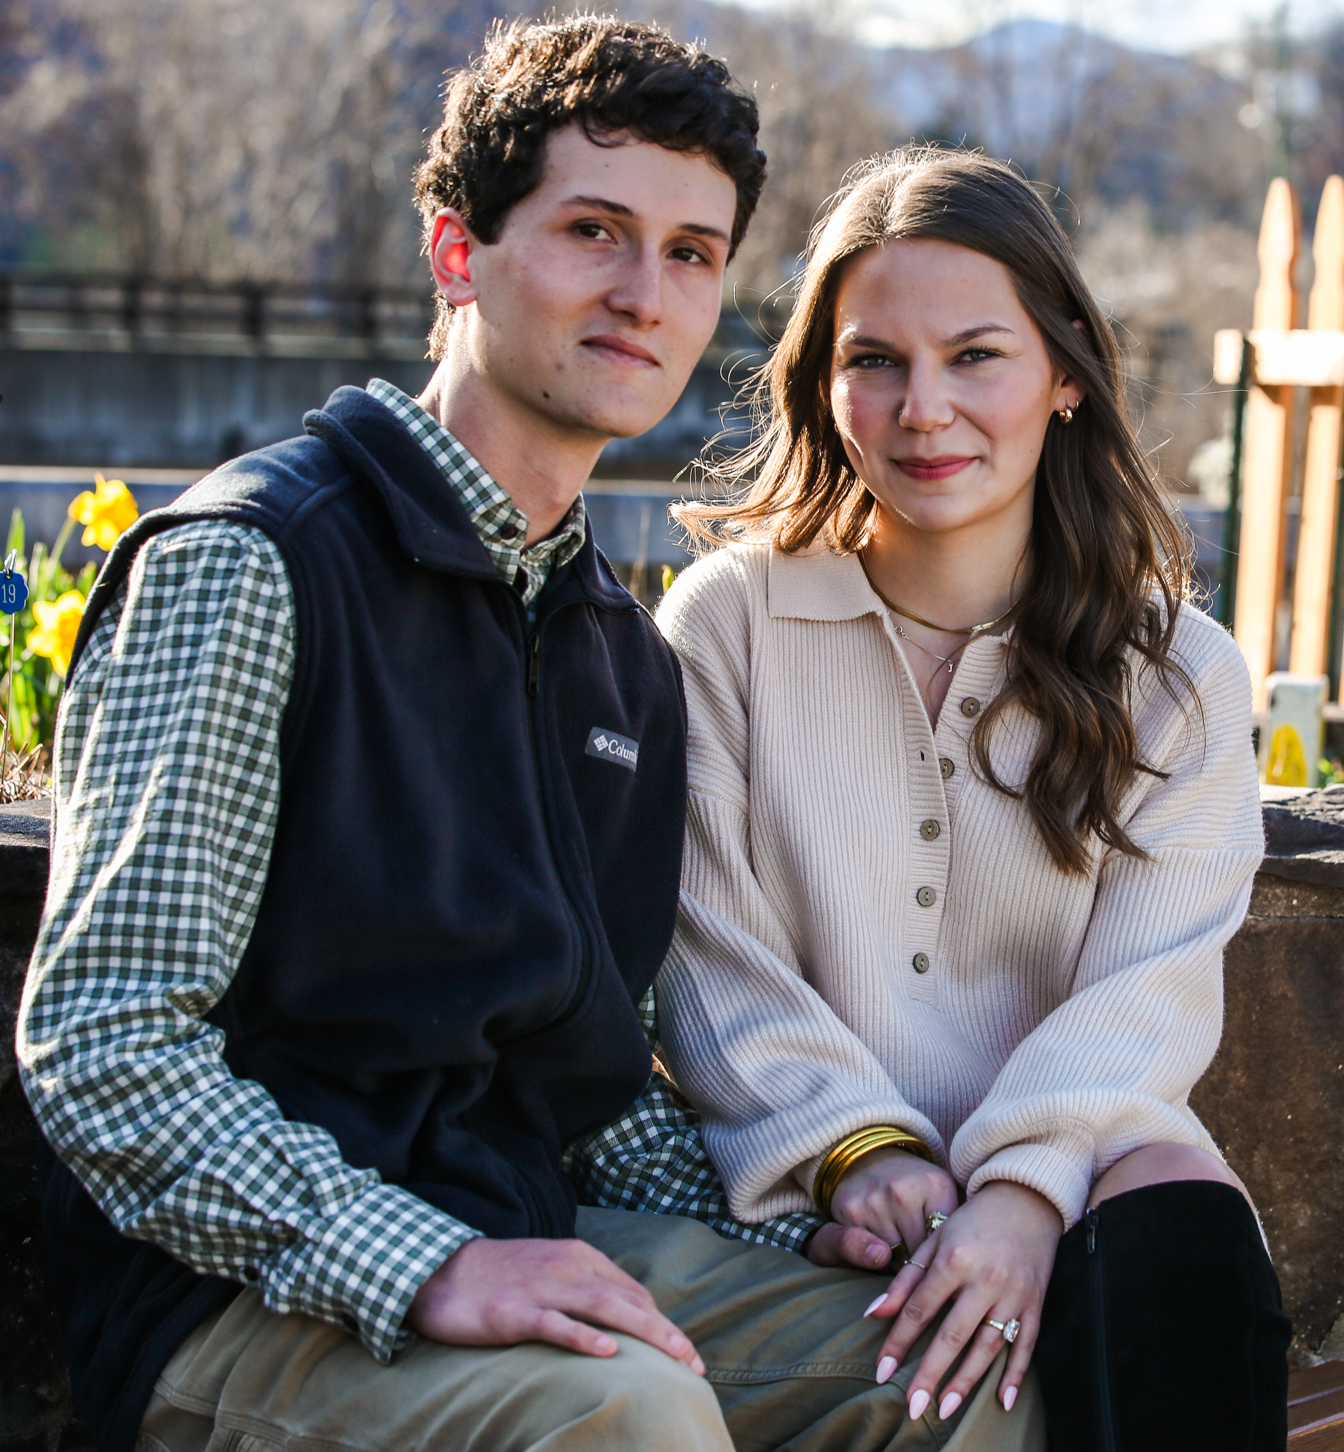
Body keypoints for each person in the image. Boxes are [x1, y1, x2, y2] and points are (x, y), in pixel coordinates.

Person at [17, 25, 1033, 1452]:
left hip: (535, 1245)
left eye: (691, 253)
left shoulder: (620, 655)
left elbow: (583, 1082)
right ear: (456, 253)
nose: (645, 293)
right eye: (594, 232)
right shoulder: (255, 566)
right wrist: (424, 1261)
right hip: (239, 1305)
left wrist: (796, 1233)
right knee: (625, 1418)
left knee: (953, 1377)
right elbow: (107, 1042)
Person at [657, 146, 1291, 1451]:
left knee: (1180, 1203)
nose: (922, 408)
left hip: (1087, 1174)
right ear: (823, 387)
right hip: (818, 1180)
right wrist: (864, 1152)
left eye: (975, 356)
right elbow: (707, 950)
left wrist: (1019, 1187)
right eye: (874, 360)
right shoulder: (727, 629)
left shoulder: (1176, 674)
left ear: (1065, 376)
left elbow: (1148, 992)